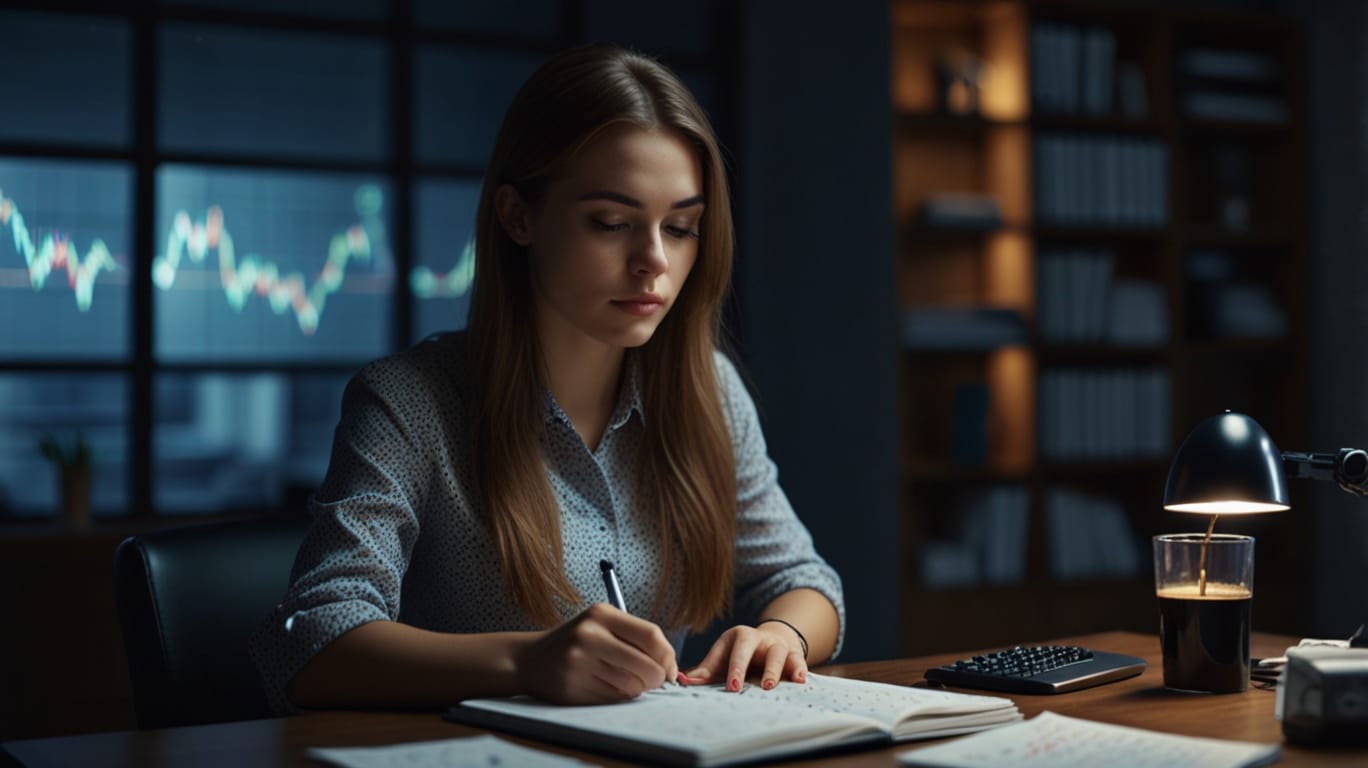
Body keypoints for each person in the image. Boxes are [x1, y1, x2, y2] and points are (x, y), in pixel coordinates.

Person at [250, 41, 844, 714]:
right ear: (519, 216)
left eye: (680, 227)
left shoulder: (708, 390)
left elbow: (803, 581)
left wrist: (780, 633)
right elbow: (312, 644)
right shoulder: (409, 403)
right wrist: (526, 661)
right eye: (612, 223)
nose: (654, 261)